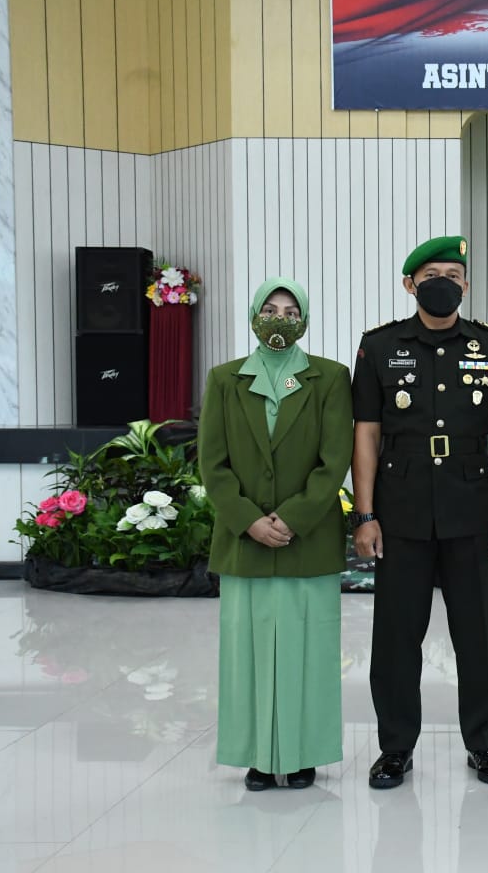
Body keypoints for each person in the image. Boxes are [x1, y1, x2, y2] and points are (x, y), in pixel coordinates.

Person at [350, 236, 488, 789]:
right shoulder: (379, 347)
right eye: (430, 275)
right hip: (400, 511)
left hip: (471, 509)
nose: (442, 283)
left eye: (453, 274)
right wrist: (364, 514)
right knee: (396, 638)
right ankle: (395, 748)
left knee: (477, 638)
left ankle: (484, 744)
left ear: (466, 284)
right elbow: (366, 435)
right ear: (410, 285)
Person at [198, 277, 354, 791]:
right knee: (247, 651)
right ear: (253, 315)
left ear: (304, 319)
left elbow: (335, 459)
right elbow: (213, 463)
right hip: (244, 541)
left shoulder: (330, 378)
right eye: (270, 309)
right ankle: (257, 757)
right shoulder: (225, 379)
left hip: (307, 540)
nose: (280, 319)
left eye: (291, 310)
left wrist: (293, 517)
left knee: (309, 649)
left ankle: (304, 752)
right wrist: (248, 519)